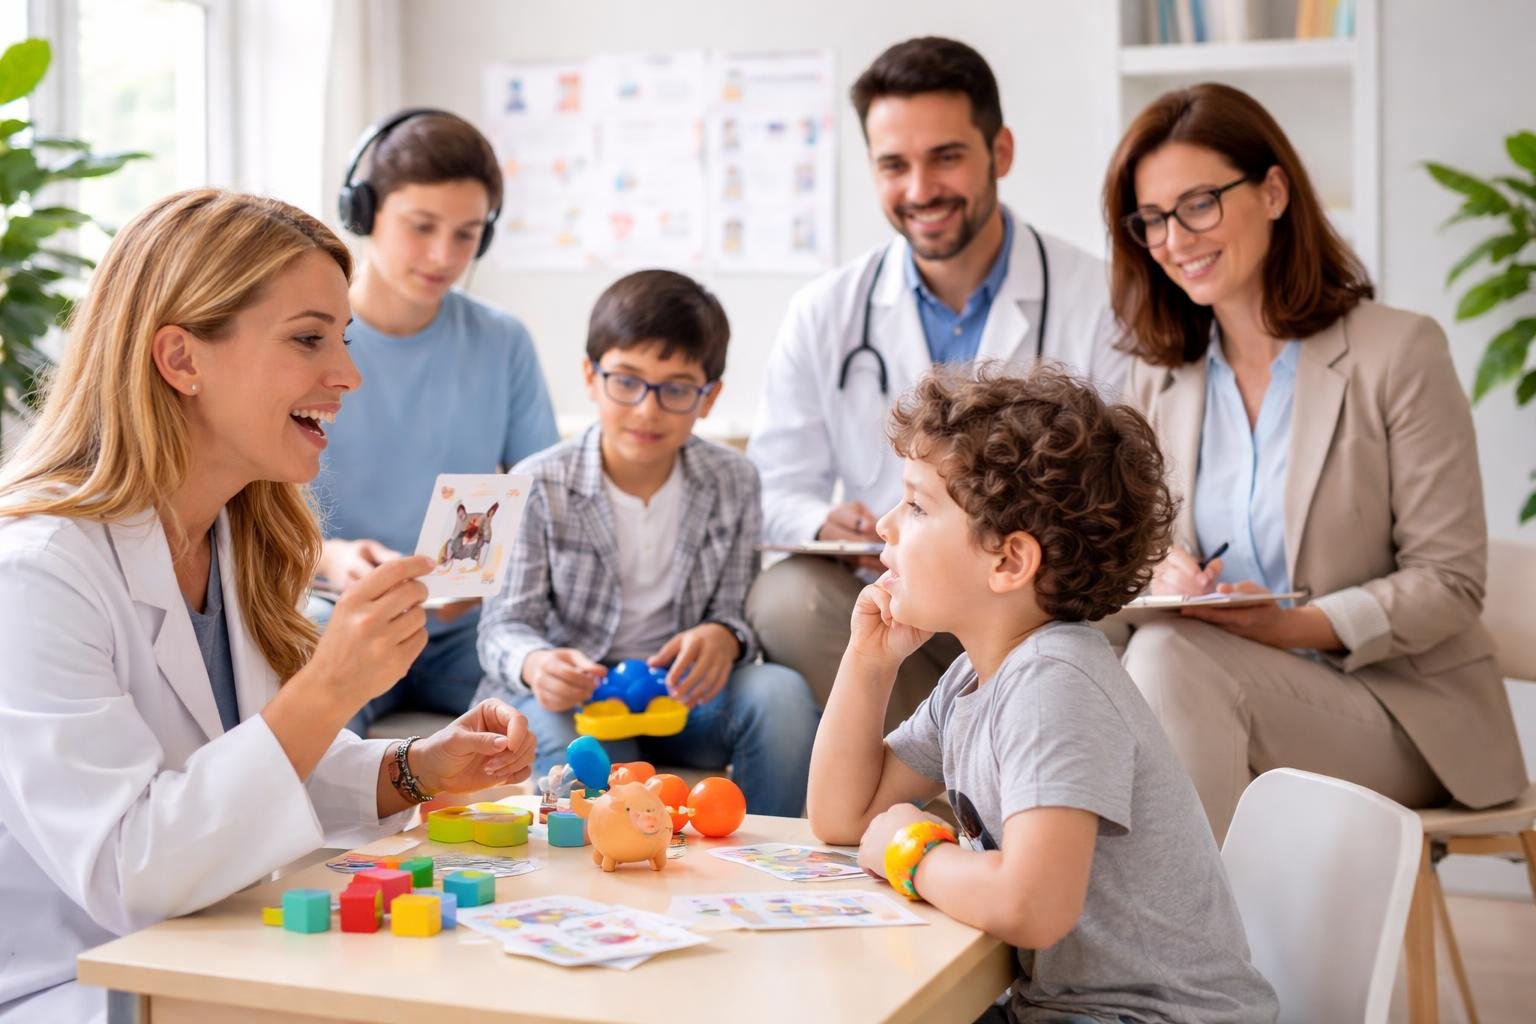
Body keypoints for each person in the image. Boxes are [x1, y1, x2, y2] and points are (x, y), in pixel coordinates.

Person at [0, 190, 539, 1023]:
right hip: (85, 984)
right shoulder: (37, 576)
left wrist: (414, 769)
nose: (348, 375)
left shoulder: (230, 536)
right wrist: (326, 686)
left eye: (343, 340)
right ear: (182, 359)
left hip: (205, 949)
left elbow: (250, 771)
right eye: (309, 340)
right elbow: (131, 871)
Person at [1105, 83, 1526, 842]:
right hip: (1214, 688)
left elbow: (1450, 582)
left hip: (1399, 711)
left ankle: (1176, 948)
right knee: (1111, 652)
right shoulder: (1161, 378)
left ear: (1273, 192)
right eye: (1153, 219)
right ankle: (1155, 935)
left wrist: (1290, 627)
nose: (1175, 238)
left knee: (1169, 663)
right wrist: (1164, 572)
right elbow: (1135, 551)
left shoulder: (1398, 352)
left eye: (1199, 204)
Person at [807, 366, 1276, 1023]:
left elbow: (1032, 906)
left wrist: (910, 850)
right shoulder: (976, 676)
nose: (886, 525)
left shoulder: (1054, 683)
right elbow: (840, 816)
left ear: (1008, 563)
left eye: (916, 505)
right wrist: (868, 663)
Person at [747, 37, 1128, 731]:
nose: (920, 190)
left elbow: (1125, 489)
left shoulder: (1099, 298)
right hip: (895, 595)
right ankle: (928, 797)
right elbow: (770, 488)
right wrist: (818, 521)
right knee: (784, 597)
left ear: (1000, 153)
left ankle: (986, 796)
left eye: (946, 157)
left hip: (1036, 604)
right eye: (895, 165)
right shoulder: (825, 311)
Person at [474, 271, 820, 816]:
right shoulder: (536, 483)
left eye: (677, 389)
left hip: (683, 698)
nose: (647, 409)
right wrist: (537, 664)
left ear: (709, 398)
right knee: (588, 758)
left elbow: (734, 611)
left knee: (780, 697)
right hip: (576, 698)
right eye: (626, 381)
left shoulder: (734, 480)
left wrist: (724, 637)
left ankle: (765, 863)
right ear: (590, 377)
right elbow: (502, 627)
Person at [315, 108, 559, 735]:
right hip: (336, 611)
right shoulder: (307, 338)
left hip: (465, 629)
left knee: (557, 724)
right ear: (364, 212)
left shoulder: (503, 342)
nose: (442, 255)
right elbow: (243, 503)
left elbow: (548, 500)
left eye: (466, 234)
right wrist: (329, 555)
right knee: (316, 721)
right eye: (421, 226)